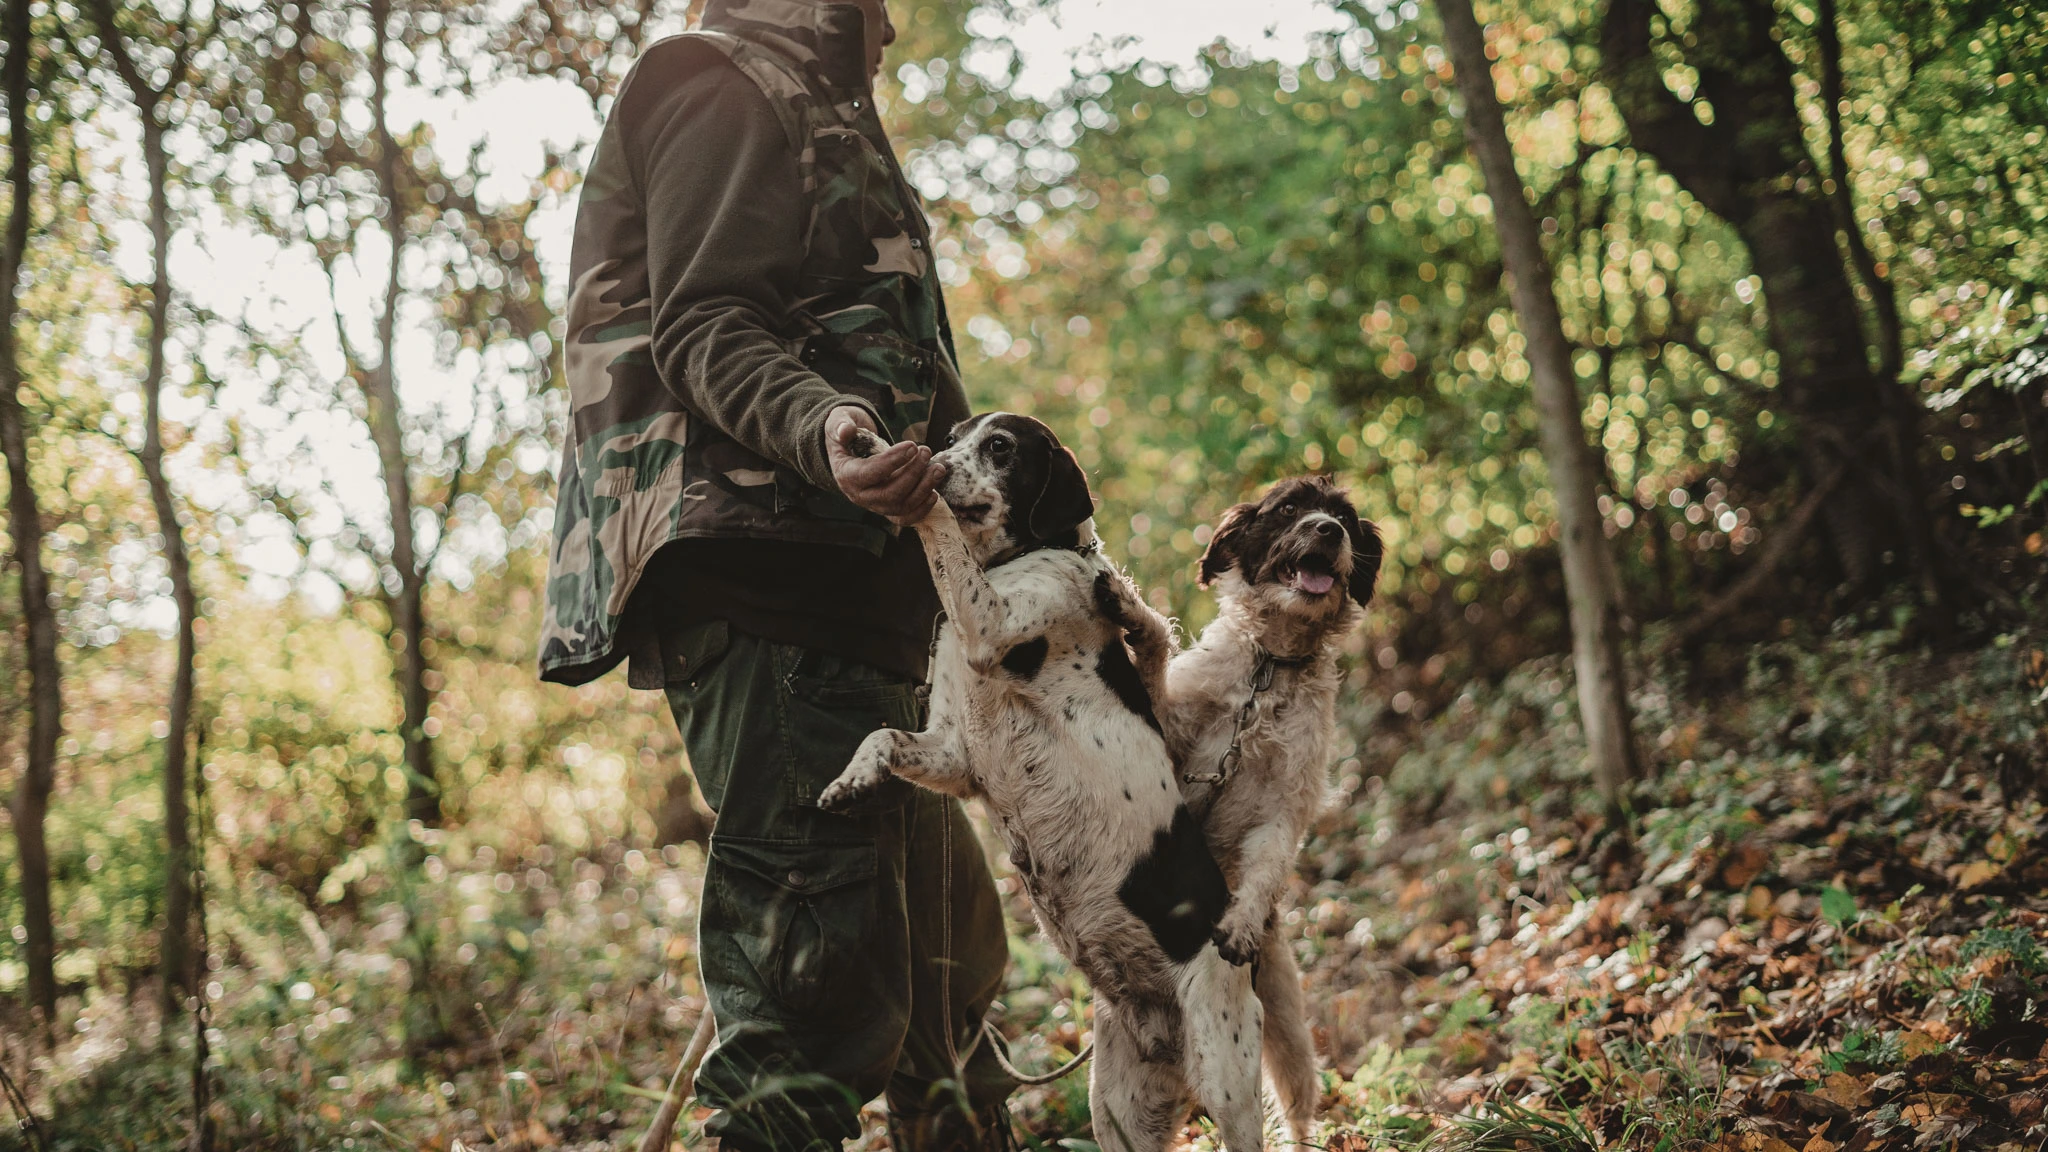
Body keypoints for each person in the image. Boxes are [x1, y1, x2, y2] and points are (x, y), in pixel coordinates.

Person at [535, 0, 1012, 1148]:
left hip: (866, 616)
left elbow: (914, 380)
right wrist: (826, 426)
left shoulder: (819, 111)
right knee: (815, 1016)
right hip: (778, 595)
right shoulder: (716, 81)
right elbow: (704, 322)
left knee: (948, 993)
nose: (892, 28)